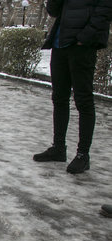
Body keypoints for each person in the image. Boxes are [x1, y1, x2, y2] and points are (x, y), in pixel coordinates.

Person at [33, 0, 112, 174]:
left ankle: (83, 155)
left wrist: (85, 38)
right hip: (60, 43)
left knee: (83, 100)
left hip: (82, 47)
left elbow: (105, 11)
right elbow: (53, 10)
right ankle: (59, 147)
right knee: (59, 97)